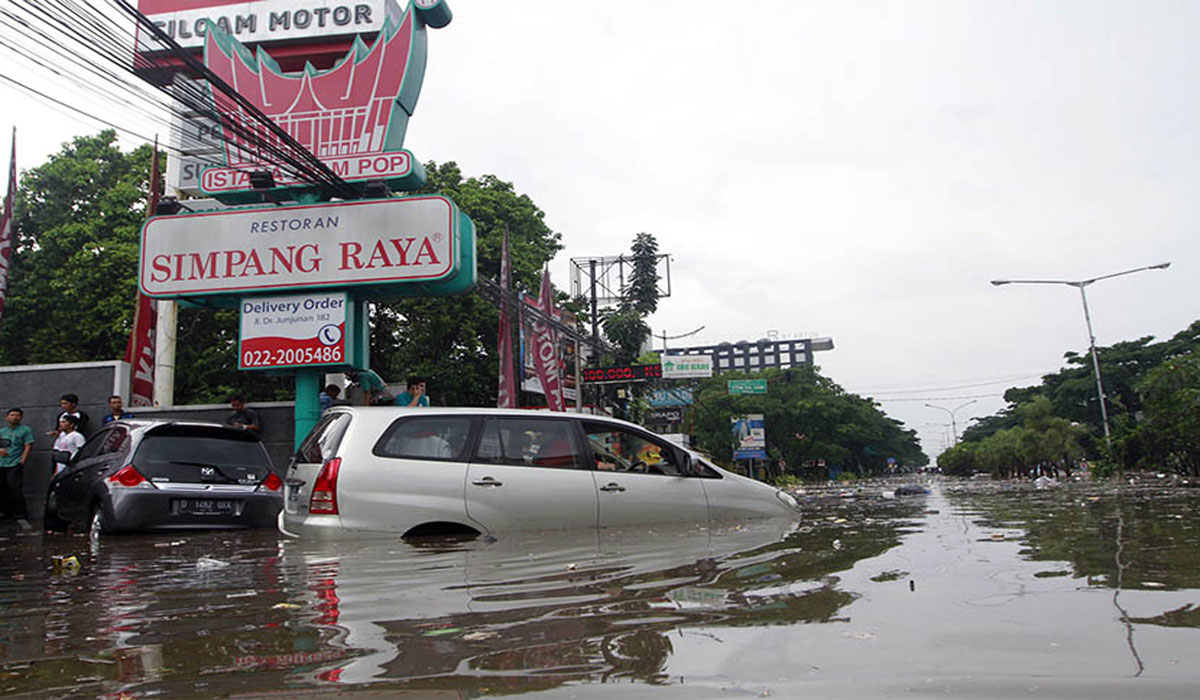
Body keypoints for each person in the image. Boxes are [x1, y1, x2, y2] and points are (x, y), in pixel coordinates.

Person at [0, 408, 35, 528]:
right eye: (12, 415)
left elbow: (28, 445)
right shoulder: (2, 431)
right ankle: (5, 511)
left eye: (17, 415)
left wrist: (22, 460)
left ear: (21, 417)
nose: (14, 417)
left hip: (15, 462)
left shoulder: (25, 430)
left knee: (14, 487)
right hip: (1, 463)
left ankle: (20, 514)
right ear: (7, 417)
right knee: (2, 487)